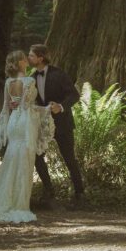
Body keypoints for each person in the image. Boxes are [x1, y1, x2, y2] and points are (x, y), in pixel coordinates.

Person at [0, 51, 54, 224]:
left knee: (12, 159)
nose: (26, 60)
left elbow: (6, 107)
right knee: (25, 162)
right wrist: (47, 109)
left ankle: (6, 198)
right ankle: (19, 204)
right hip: (25, 123)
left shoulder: (8, 82)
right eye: (24, 58)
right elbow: (27, 107)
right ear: (20, 63)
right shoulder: (29, 81)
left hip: (13, 122)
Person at [28, 44, 85, 207]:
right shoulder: (31, 78)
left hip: (63, 124)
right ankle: (49, 191)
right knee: (37, 157)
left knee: (69, 158)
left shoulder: (59, 74)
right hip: (43, 125)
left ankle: (79, 194)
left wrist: (60, 107)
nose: (29, 58)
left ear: (41, 58)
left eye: (32, 56)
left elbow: (74, 95)